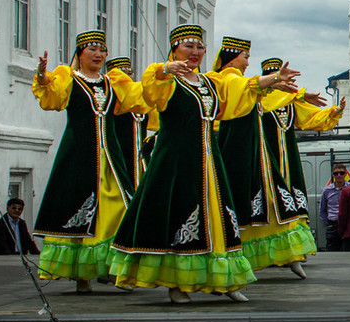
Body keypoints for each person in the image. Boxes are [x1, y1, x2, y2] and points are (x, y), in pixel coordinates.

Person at [110, 25, 299, 303]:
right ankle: (177, 284)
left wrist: (271, 80)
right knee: (179, 215)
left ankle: (227, 280)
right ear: (174, 48)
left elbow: (239, 89)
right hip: (176, 160)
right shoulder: (167, 81)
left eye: (200, 47)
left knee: (220, 215)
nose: (195, 52)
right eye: (188, 46)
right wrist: (164, 69)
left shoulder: (210, 83)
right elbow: (149, 92)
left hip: (209, 160)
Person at [31, 30, 137, 291]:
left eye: (102, 50)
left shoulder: (113, 82)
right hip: (80, 154)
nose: (98, 54)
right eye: (92, 49)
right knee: (80, 208)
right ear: (79, 54)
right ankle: (82, 276)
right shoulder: (70, 79)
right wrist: (43, 76)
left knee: (118, 206)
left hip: (110, 157)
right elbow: (52, 98)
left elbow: (140, 99)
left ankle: (114, 266)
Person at [215, 39, 321, 278]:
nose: (247, 62)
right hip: (234, 154)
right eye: (245, 57)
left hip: (257, 154)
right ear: (232, 57)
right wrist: (280, 84)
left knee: (274, 205)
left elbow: (269, 98)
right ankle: (232, 264)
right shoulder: (224, 80)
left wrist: (297, 96)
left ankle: (289, 255)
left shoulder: (249, 86)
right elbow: (249, 88)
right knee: (240, 208)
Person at [256, 57, 344, 268]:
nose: (286, 84)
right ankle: (268, 253)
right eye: (279, 80)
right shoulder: (259, 100)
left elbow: (311, 118)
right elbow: (271, 99)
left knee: (292, 203)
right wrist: (299, 94)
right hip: (266, 159)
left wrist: (334, 112)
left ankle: (291, 251)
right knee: (268, 204)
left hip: (289, 160)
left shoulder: (291, 104)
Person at [103, 57, 151, 191]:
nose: (126, 77)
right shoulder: (111, 102)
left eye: (129, 73)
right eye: (122, 73)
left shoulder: (140, 99)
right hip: (119, 155)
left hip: (140, 157)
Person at [319, 164, 349, 251]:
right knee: (332, 250)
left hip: (347, 225)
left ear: (346, 174)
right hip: (333, 224)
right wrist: (329, 223)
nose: (339, 175)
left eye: (341, 173)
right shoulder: (327, 190)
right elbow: (322, 210)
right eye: (336, 173)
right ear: (333, 174)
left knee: (348, 250)